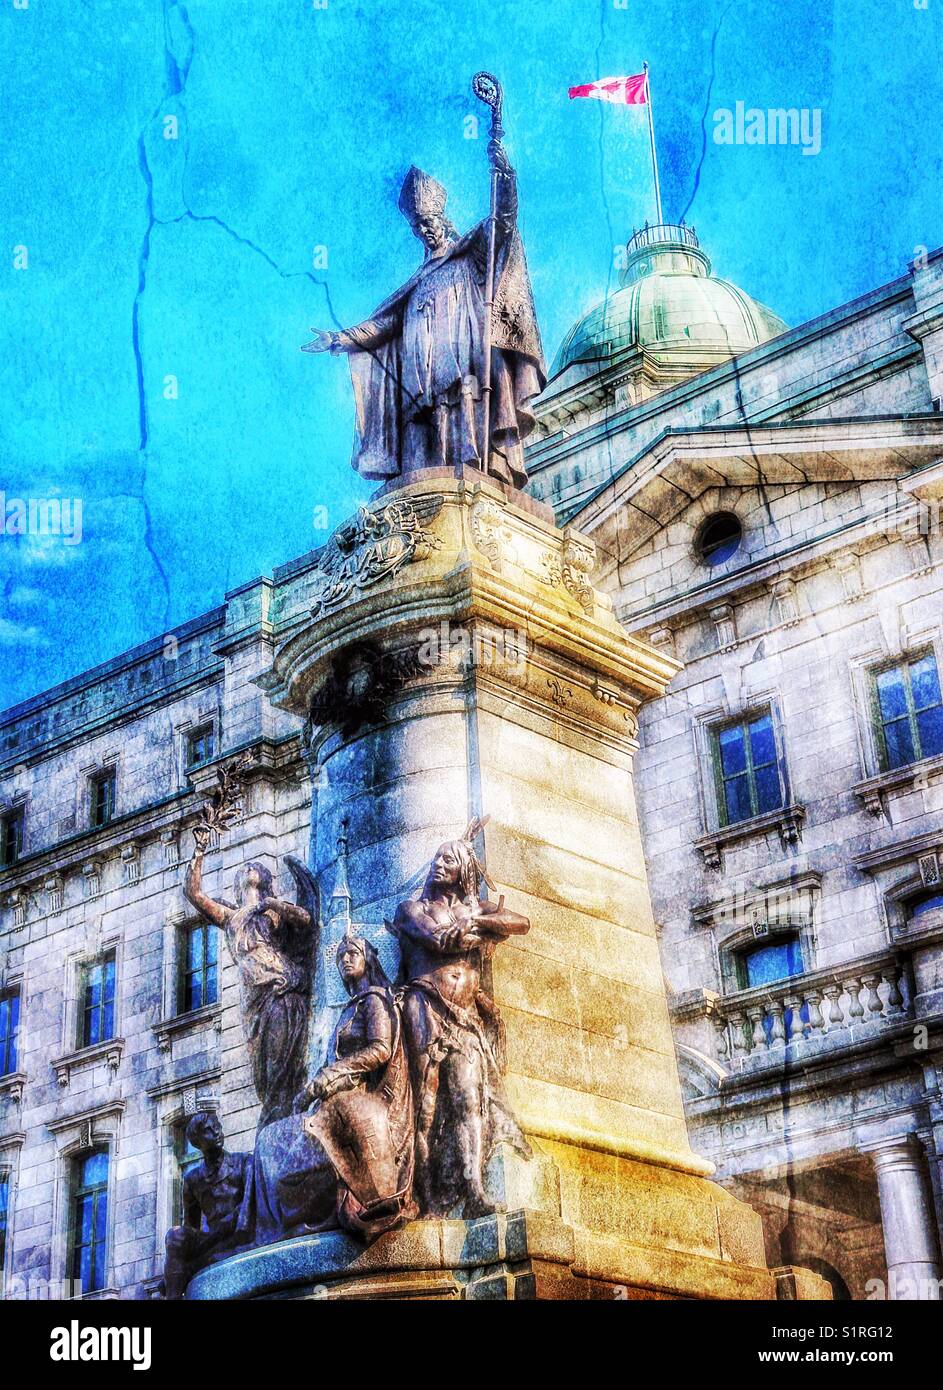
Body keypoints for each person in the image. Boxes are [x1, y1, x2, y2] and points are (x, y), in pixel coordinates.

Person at [302, 140, 545, 488]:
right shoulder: (415, 282)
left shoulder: (471, 256)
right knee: (420, 438)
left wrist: (503, 172)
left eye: (429, 222)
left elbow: (504, 220)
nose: (425, 231)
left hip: (463, 365)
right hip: (418, 379)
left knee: (464, 421)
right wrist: (338, 339)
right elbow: (384, 326)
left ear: (443, 221)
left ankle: (472, 482)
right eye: (418, 228)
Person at [390, 829, 531, 1218]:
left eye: (448, 860)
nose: (439, 865)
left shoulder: (474, 910)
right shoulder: (411, 909)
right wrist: (481, 928)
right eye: (436, 859)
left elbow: (521, 922)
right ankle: (426, 1197)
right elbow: (437, 941)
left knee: (469, 1097)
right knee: (426, 1103)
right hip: (424, 1007)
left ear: (464, 869)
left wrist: (478, 922)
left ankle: (473, 1189)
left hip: (465, 1016)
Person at [250, 936, 416, 1243]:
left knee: (287, 1156)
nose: (346, 960)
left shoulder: (375, 1000)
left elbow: (380, 1049)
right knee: (267, 1141)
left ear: (368, 959)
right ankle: (263, 1229)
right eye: (341, 956)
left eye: (353, 953)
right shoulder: (351, 1008)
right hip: (334, 1102)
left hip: (360, 1102)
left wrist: (327, 1076)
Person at [184, 833, 316, 1127]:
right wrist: (200, 848)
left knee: (280, 1067)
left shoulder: (274, 913)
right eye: (244, 870)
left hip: (282, 991)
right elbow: (193, 893)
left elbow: (306, 919)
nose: (249, 868)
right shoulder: (231, 916)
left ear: (266, 879)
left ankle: (280, 1124)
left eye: (256, 869)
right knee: (262, 1072)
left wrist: (277, 905)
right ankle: (276, 1123)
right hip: (254, 1001)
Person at [163, 1111, 251, 1299]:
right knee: (175, 1235)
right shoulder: (193, 1179)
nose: (217, 1132)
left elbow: (250, 1206)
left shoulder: (243, 1162)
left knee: (187, 1264)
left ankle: (184, 1272)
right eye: (209, 1131)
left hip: (239, 1231)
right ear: (197, 1142)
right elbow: (191, 1227)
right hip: (212, 1238)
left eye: (217, 1126)